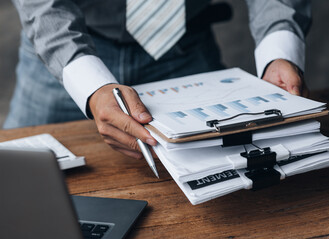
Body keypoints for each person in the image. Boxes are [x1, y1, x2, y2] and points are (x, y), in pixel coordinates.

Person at [5, 0, 311, 159]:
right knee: (21, 176)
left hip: (185, 47)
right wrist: (88, 82)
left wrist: (279, 50)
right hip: (63, 50)